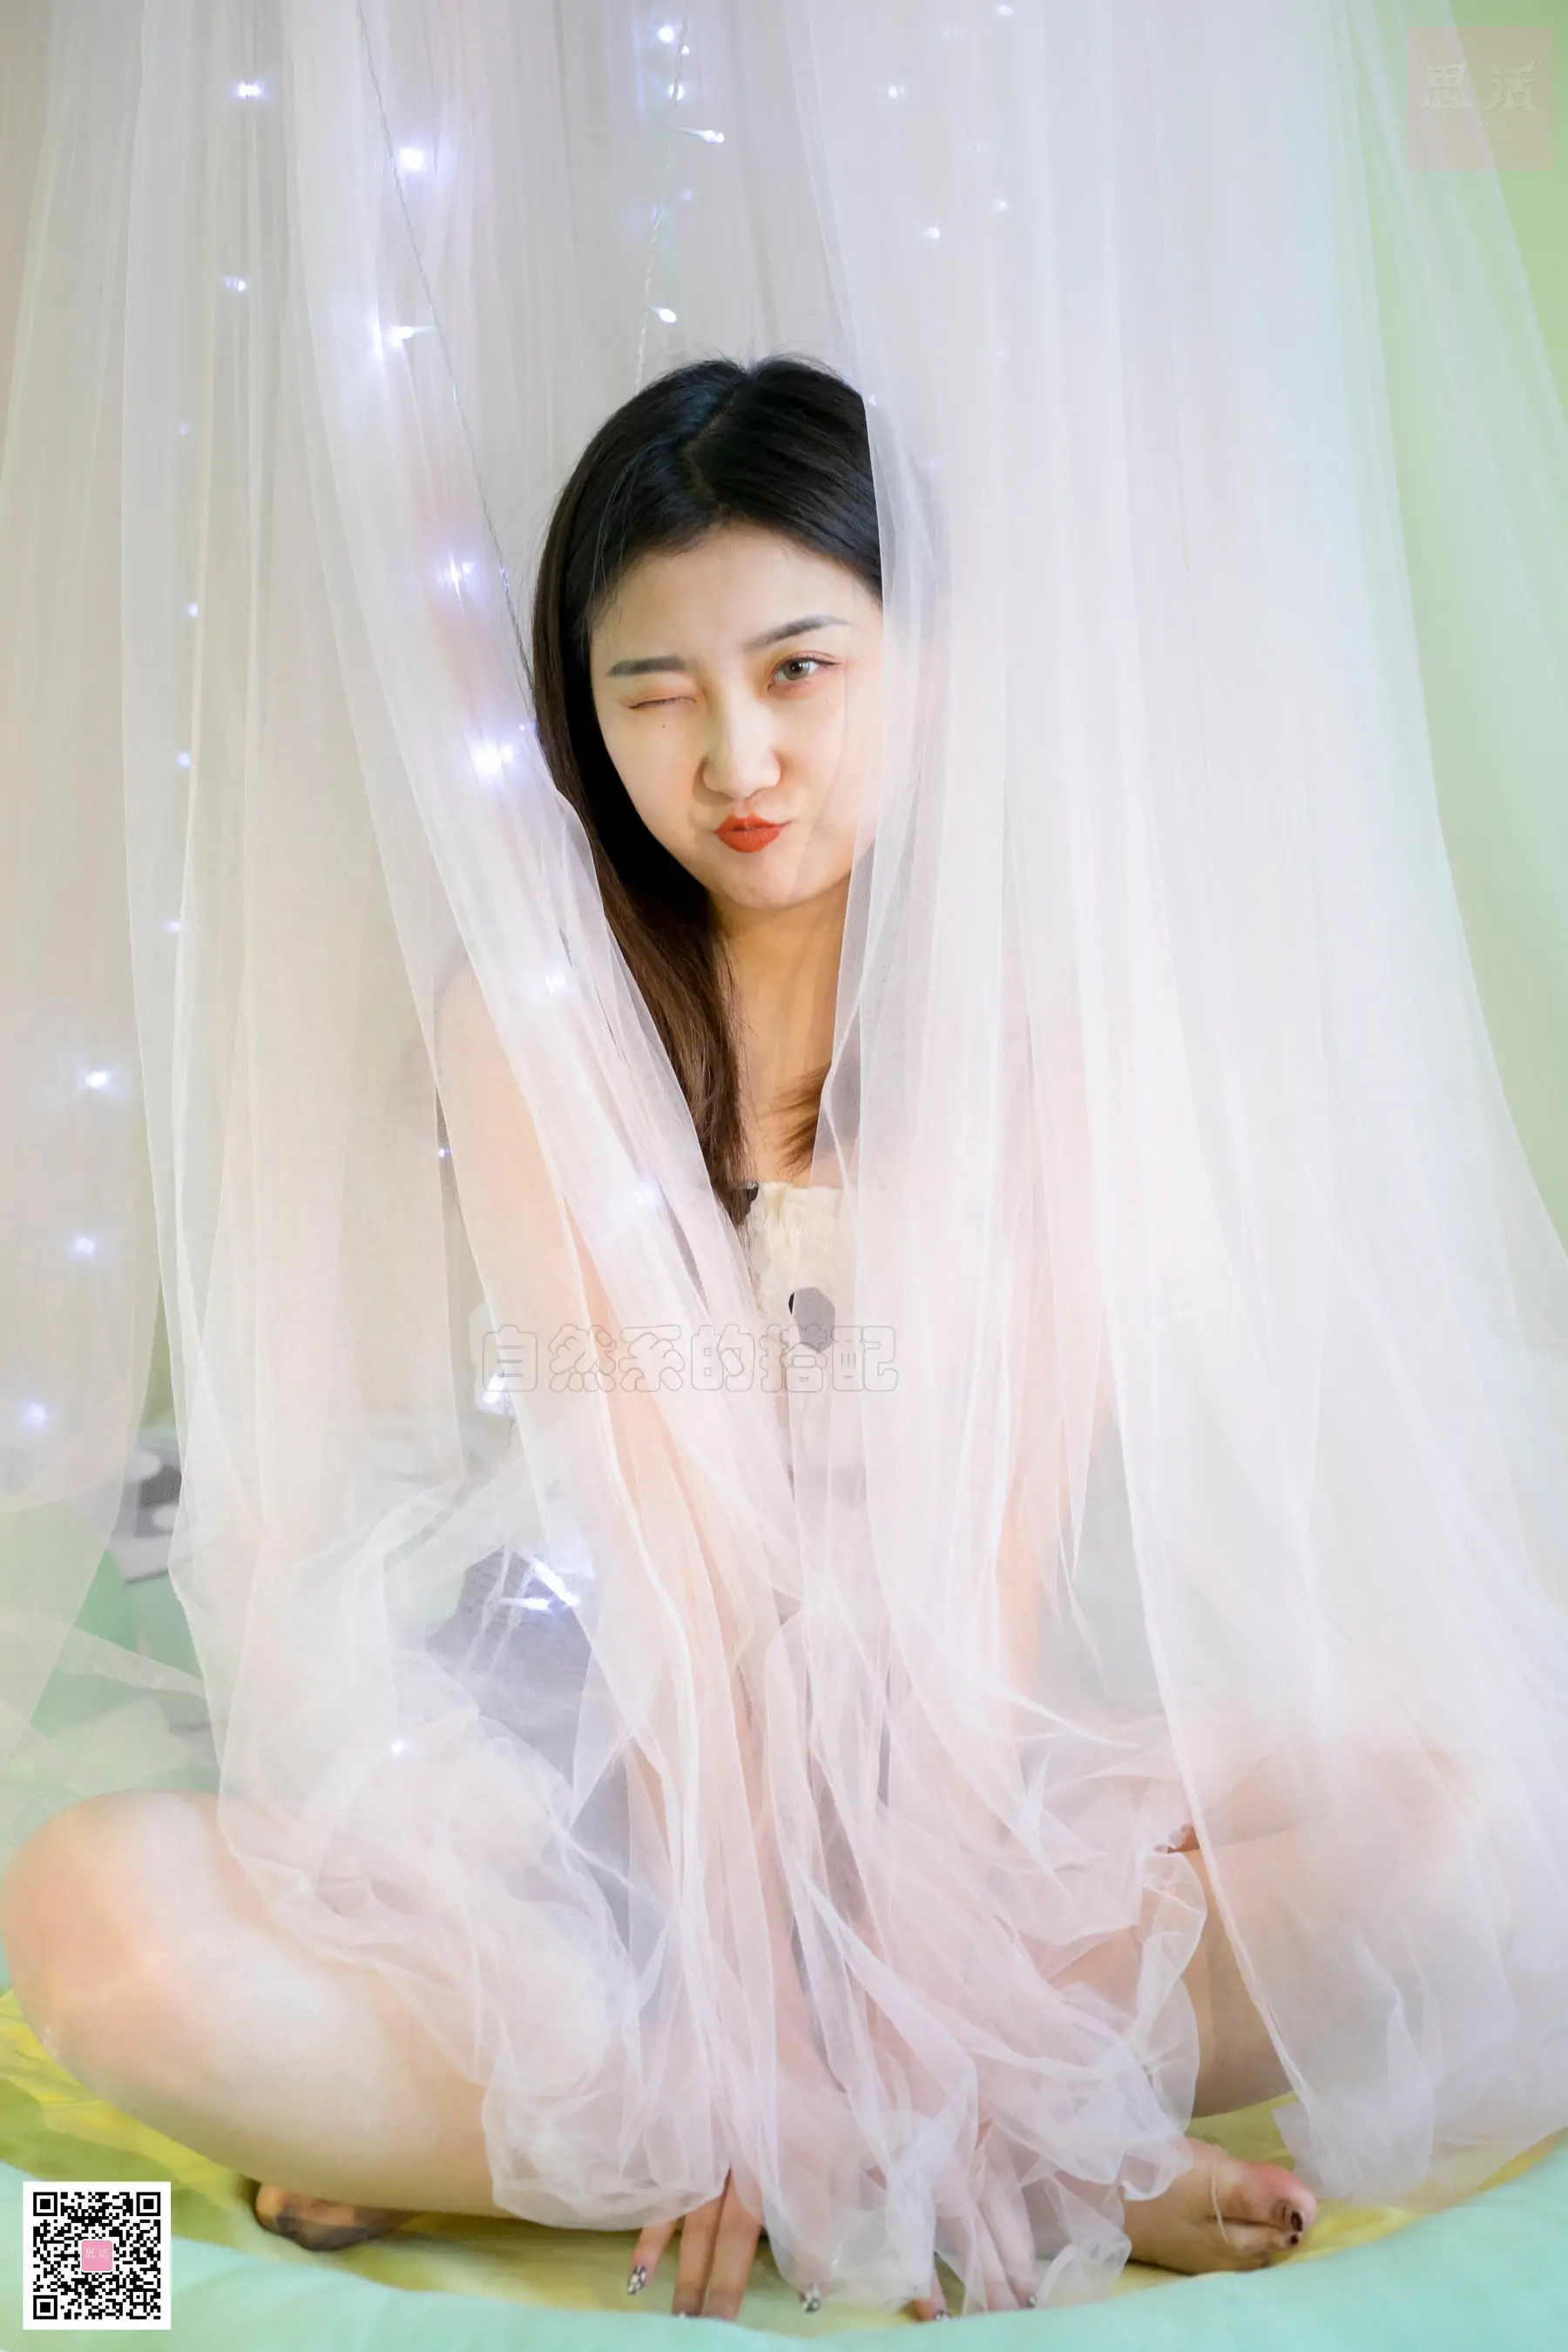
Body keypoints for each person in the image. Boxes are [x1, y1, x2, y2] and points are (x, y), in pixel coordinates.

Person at [0, 356, 1318, 2320]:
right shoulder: (540, 1017)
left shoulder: (1037, 1024)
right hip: (597, 1734)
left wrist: (910, 1967)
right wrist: (761, 2013)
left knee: (1463, 1835)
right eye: (656, 695)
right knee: (87, 1917)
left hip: (933, 1755)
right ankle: (931, 2133)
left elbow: (999, 1552)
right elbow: (671, 1566)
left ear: (923, 665)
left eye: (799, 671)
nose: (738, 759)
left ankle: (736, 2125)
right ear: (583, 721)